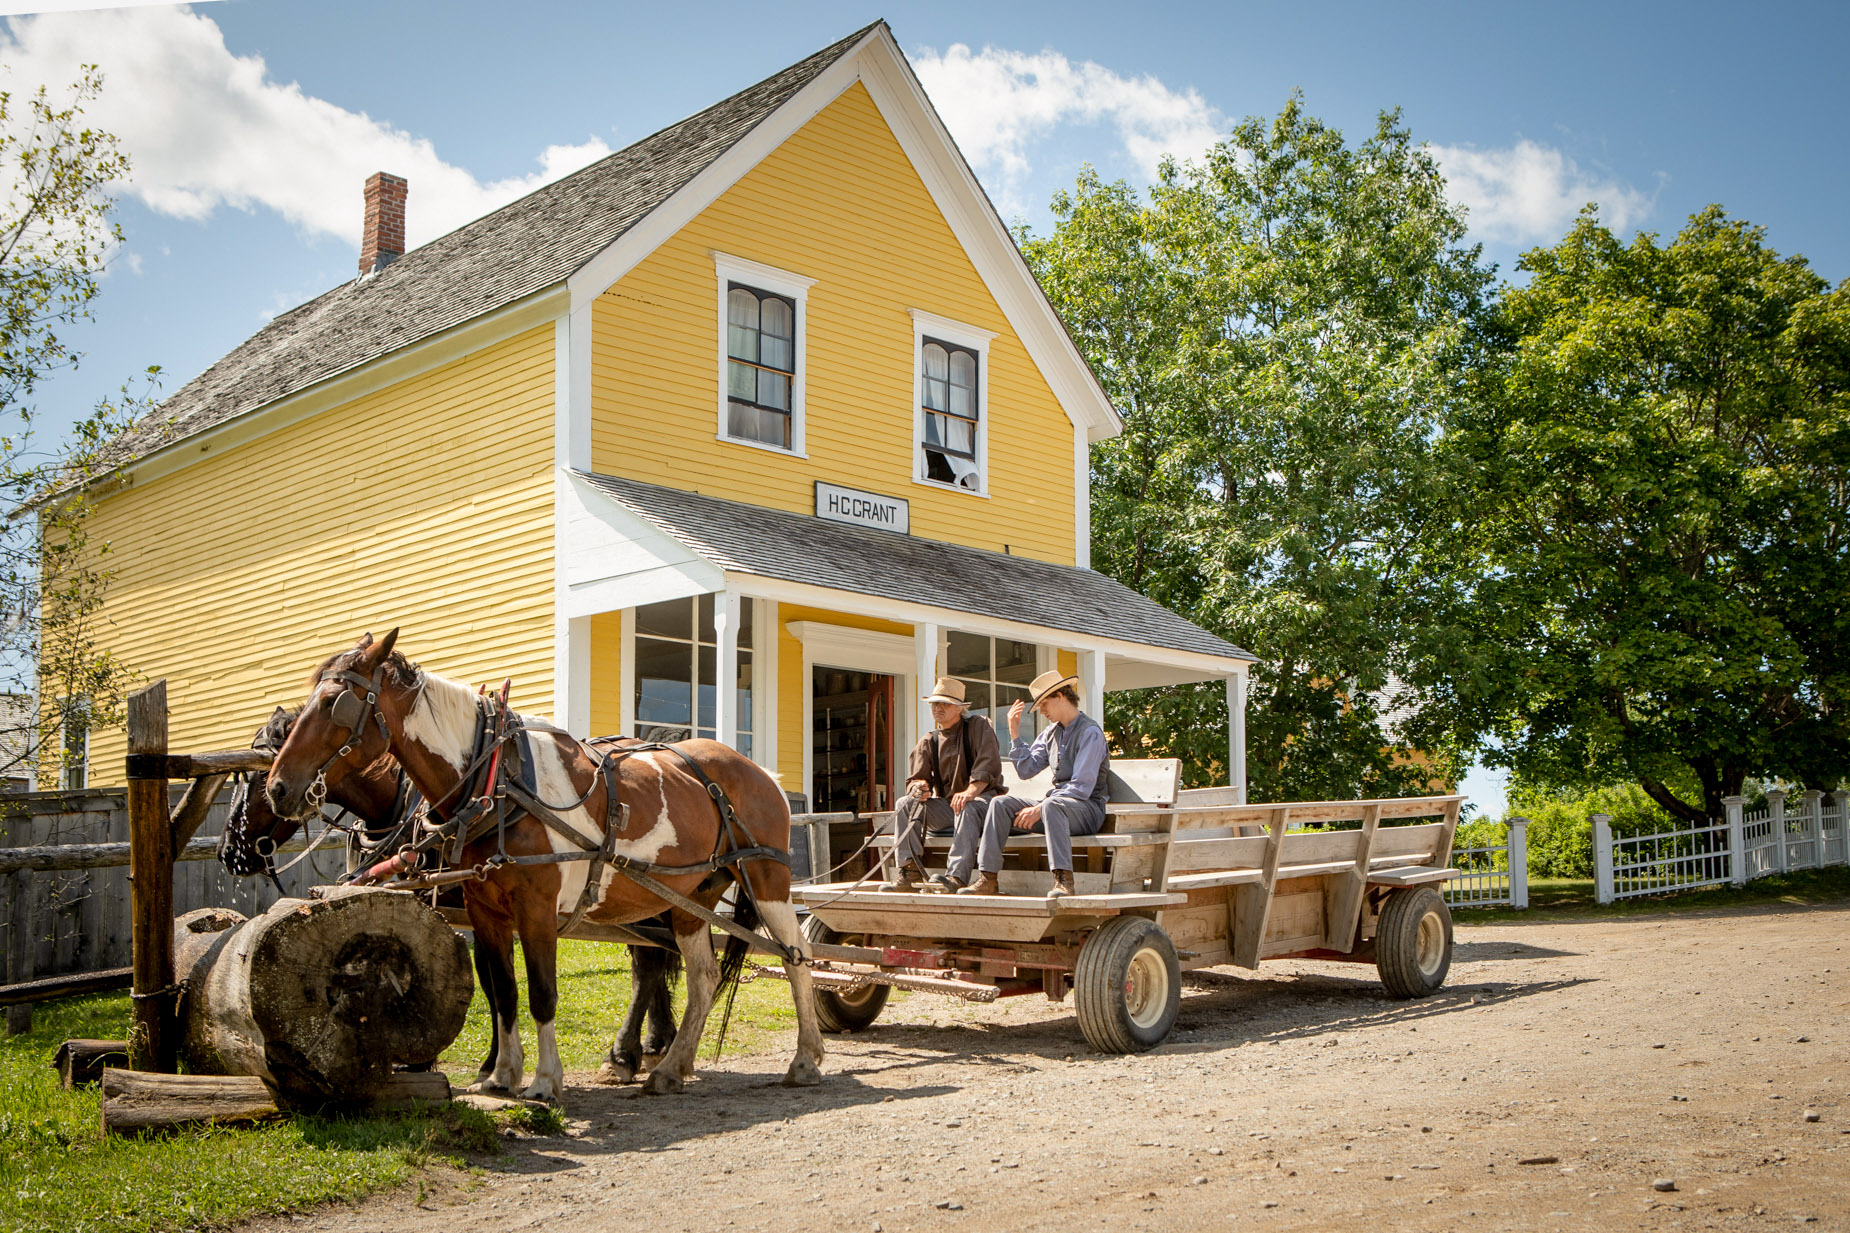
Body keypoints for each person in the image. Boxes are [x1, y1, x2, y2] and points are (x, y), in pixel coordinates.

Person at [954, 669, 1111, 899]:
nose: (1043, 711)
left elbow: (1082, 787)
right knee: (1000, 804)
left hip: (1087, 809)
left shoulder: (1090, 732)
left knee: (1050, 806)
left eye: (1044, 704)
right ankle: (988, 878)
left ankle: (1063, 881)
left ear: (1060, 695)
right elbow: (1026, 770)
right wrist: (1014, 732)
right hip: (1056, 808)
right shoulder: (1051, 734)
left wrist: (1040, 807)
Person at [881, 677, 1003, 892]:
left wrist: (970, 792)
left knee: (967, 805)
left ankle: (956, 877)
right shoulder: (930, 740)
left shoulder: (978, 726)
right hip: (950, 808)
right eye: (935, 704)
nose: (938, 708)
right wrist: (919, 788)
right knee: (905, 803)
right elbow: (916, 778)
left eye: (945, 704)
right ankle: (910, 871)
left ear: (959, 709)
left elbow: (988, 766)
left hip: (986, 806)